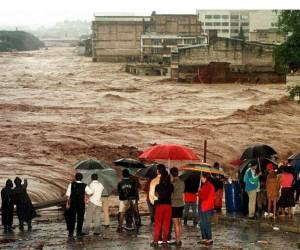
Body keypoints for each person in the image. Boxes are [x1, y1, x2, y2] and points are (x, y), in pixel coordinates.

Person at [151, 169, 174, 248]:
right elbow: (171, 194)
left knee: (158, 224)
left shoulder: (158, 186)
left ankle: (155, 241)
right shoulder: (171, 186)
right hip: (168, 206)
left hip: (160, 206)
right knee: (166, 224)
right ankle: (165, 241)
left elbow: (156, 195)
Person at [65, 172, 92, 237]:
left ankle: (70, 233)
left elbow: (68, 195)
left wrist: (68, 204)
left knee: (72, 218)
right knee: (80, 218)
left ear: (75, 177)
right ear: (82, 178)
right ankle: (79, 232)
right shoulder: (84, 185)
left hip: (73, 203)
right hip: (81, 204)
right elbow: (91, 192)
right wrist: (86, 196)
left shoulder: (71, 184)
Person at [198, 173, 215, 246]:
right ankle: (204, 238)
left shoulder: (208, 186)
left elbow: (203, 197)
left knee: (206, 223)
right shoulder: (206, 185)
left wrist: (199, 192)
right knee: (202, 223)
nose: (201, 179)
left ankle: (209, 238)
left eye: (202, 177)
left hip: (206, 207)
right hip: (204, 207)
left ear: (205, 178)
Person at [170, 167, 185, 247]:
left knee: (175, 223)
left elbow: (171, 195)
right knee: (179, 222)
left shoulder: (172, 183)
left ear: (171, 174)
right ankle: (179, 238)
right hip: (181, 204)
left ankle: (177, 240)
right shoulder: (182, 182)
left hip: (174, 205)